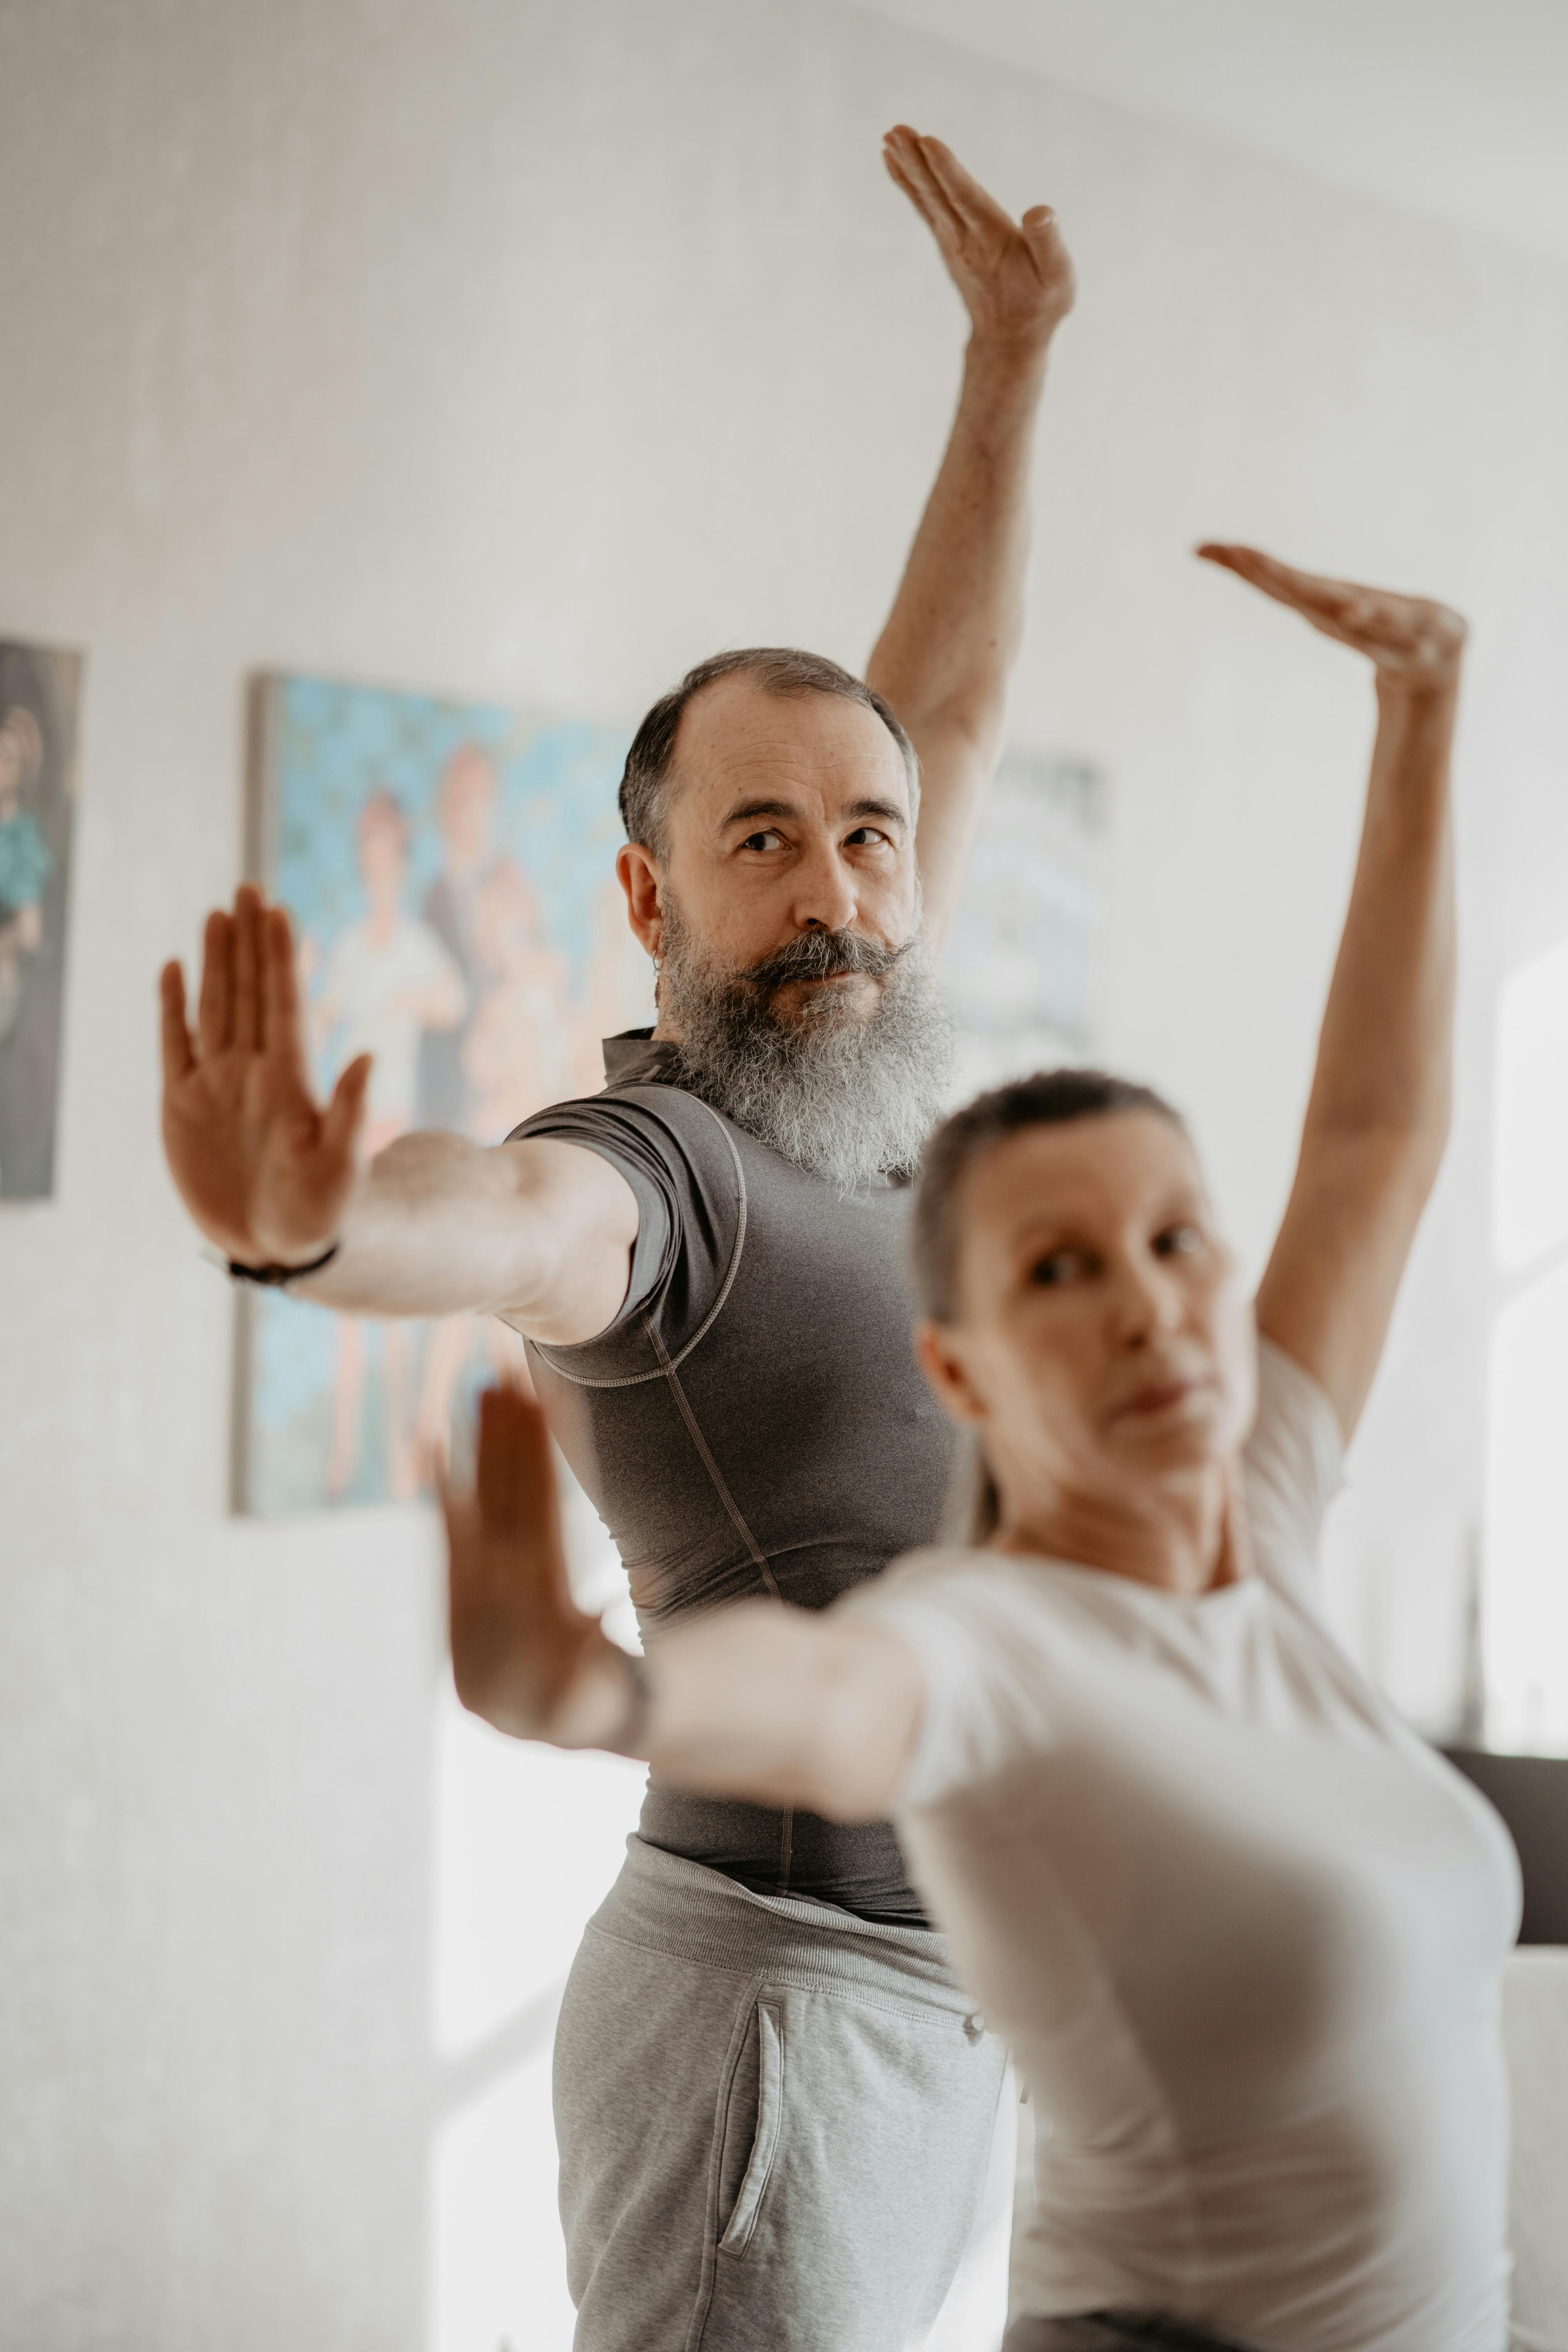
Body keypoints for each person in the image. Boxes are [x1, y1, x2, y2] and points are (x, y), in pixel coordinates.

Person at [159, 128, 1076, 2349]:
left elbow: (934, 708)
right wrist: (309, 1233)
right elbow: (499, 1223)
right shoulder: (663, 1161)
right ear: (655, 900)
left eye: (866, 837)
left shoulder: (866, 1077)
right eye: (763, 838)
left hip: (953, 1996)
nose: (838, 880)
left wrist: (1011, 360)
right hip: (770, 2024)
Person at [439, 549, 1521, 2352]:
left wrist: (1421, 720)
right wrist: (597, 1699)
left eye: (1177, 1243)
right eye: (1061, 1270)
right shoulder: (989, 1637)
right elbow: (833, 1702)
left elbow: (1376, 1138)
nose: (1150, 1311)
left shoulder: (1260, 1494)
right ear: (961, 1361)